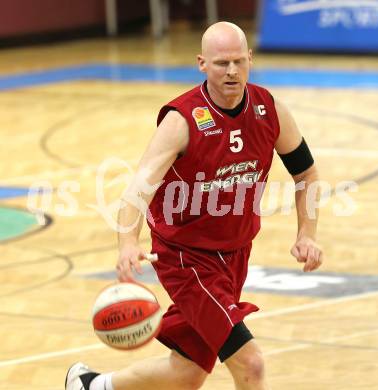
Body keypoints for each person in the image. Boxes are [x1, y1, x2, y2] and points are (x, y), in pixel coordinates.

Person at [65, 21, 323, 390]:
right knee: (250, 363)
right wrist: (127, 243)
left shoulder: (270, 110)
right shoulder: (182, 120)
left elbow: (307, 175)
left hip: (234, 256)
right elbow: (138, 188)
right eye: (221, 63)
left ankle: (91, 386)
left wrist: (307, 235)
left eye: (238, 61)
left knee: (187, 373)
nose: (232, 71)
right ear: (202, 63)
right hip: (187, 259)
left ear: (250, 58)